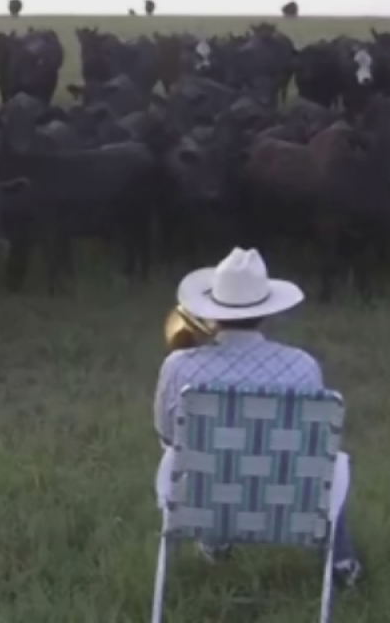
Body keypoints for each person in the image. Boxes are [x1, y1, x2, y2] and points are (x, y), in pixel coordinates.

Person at [153, 247, 362, 587]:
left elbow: (166, 434)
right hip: (289, 506)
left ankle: (215, 539)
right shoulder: (302, 365)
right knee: (331, 464)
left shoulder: (179, 367)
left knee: (185, 455)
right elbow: (311, 447)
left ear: (214, 311)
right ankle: (341, 562)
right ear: (266, 313)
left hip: (202, 503)